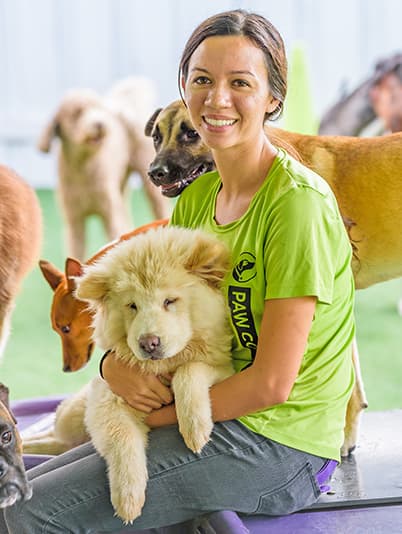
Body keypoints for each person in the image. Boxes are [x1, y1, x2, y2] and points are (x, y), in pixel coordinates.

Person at [1, 9, 355, 532]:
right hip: (207, 403)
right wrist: (110, 370)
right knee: (26, 487)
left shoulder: (295, 206)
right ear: (184, 89)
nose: (217, 99)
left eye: (241, 83)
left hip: (282, 444)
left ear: (273, 98)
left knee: (28, 514)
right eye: (203, 80)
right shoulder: (198, 198)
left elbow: (273, 384)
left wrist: (146, 416)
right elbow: (153, 322)